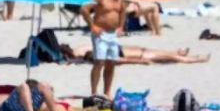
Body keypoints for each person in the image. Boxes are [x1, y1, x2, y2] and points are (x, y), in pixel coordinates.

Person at [80, 0, 126, 97]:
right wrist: (92, 26)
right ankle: (94, 92)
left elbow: (123, 11)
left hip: (113, 34)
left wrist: (121, 27)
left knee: (111, 63)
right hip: (100, 33)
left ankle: (107, 92)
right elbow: (84, 9)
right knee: (99, 62)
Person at [59, 44, 209, 65]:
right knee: (152, 54)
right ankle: (190, 59)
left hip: (122, 49)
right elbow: (119, 60)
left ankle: (178, 54)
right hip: (125, 53)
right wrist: (140, 62)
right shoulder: (81, 53)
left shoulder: (79, 50)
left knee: (149, 51)